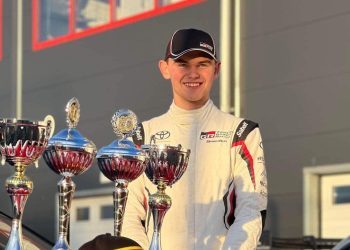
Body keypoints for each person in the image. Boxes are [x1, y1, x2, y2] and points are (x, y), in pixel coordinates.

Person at [122, 28, 268, 250]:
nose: (193, 73)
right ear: (165, 69)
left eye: (202, 64)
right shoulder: (142, 135)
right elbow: (129, 214)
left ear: (216, 69)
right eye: (183, 64)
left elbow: (252, 210)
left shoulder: (241, 133)